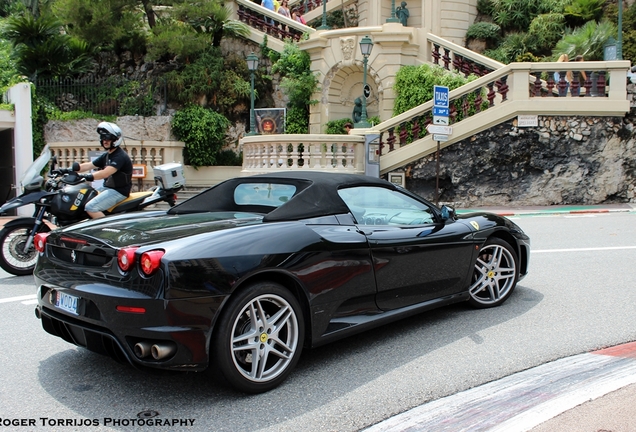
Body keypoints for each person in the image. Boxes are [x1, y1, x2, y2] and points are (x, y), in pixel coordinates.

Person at [75, 122, 133, 219]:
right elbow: (89, 165)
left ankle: (106, 231)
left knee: (91, 207)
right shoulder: (107, 155)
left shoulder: (120, 156)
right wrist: (69, 170)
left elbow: (105, 173)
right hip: (107, 188)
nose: (105, 141)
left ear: (115, 140)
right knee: (82, 200)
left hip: (118, 191)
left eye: (108, 138)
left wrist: (87, 177)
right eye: (103, 138)